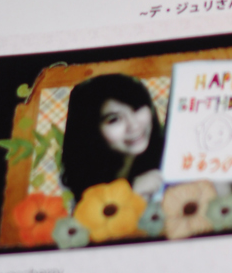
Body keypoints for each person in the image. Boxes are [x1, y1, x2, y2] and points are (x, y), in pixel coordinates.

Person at [60, 72, 165, 202]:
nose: (134, 125)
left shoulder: (168, 156)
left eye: (136, 108)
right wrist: (131, 194)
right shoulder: (75, 182)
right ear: (90, 129)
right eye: (114, 119)